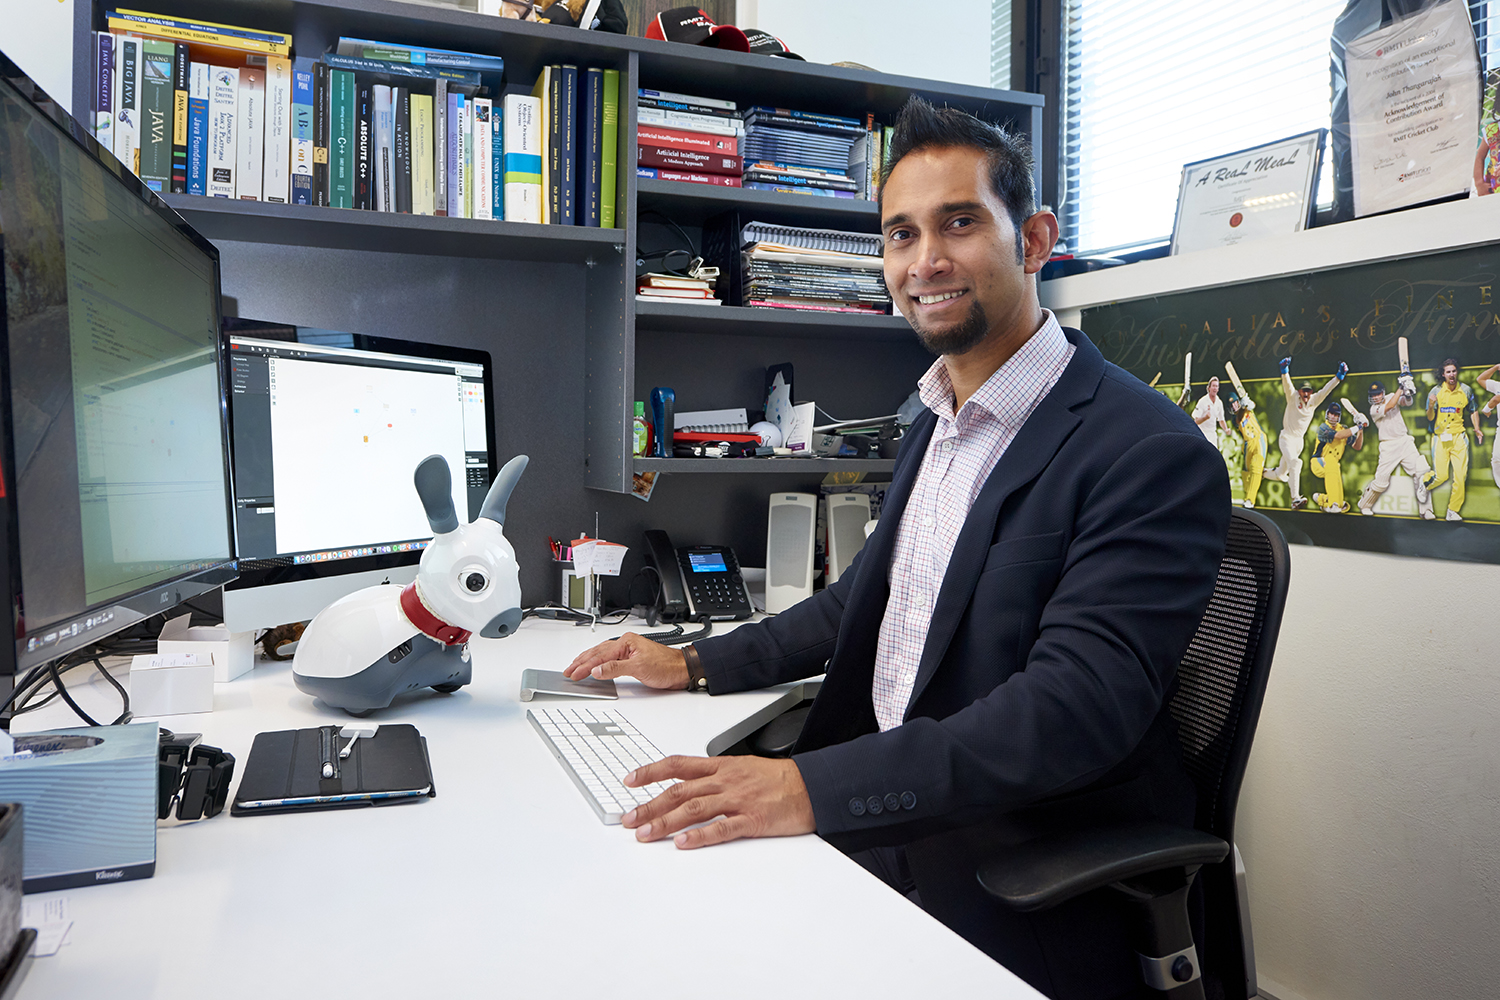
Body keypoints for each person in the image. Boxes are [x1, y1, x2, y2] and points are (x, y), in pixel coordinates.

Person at [564, 98, 1230, 1000]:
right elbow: (863, 602)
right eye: (900, 235)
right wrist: (695, 664)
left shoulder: (1144, 451)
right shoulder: (937, 420)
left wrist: (808, 789)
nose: (925, 262)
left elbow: (1073, 710)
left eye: (960, 224)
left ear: (1035, 240)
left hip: (1019, 860)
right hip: (897, 812)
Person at [1264, 358, 1346, 510]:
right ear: (1299, 391)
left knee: (1281, 473)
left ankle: (1261, 473)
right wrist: (1284, 371)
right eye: (1303, 391)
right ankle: (1295, 499)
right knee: (1296, 463)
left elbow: (1326, 390)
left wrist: (1339, 376)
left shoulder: (1314, 400)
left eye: (1308, 391)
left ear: (1311, 392)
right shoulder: (1293, 397)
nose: (1306, 394)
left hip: (1298, 442)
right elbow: (1287, 385)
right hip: (1287, 438)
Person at [1357, 379, 1438, 519]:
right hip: (1388, 445)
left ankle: (1426, 510)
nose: (1375, 397)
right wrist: (1401, 387)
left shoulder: (1390, 396)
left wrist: (1408, 394)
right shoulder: (1374, 409)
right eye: (1373, 395)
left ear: (1383, 392)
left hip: (1404, 441)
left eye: (1378, 393)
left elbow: (1406, 403)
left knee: (1421, 471)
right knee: (1381, 482)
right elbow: (1390, 406)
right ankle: (1364, 505)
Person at [1424, 358, 1484, 521]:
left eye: (1454, 371)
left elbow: (1473, 410)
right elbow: (1430, 417)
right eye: (1448, 372)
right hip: (1440, 437)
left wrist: (1477, 428)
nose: (1451, 374)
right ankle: (1423, 484)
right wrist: (1431, 405)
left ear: (1457, 372)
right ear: (1443, 374)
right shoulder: (1435, 392)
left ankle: (1452, 510)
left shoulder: (1466, 390)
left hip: (1459, 438)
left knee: (1460, 476)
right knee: (1441, 476)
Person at [1309, 401, 1363, 513]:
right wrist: (1358, 427)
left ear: (1339, 416)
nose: (1333, 416)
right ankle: (1333, 503)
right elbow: (1338, 436)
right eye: (1331, 413)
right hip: (1318, 462)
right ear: (1327, 414)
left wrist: (1361, 431)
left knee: (1340, 502)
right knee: (1331, 461)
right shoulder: (1323, 428)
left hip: (1333, 464)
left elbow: (1357, 446)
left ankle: (1323, 500)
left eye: (1336, 414)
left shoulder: (1343, 429)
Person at [1229, 390, 1266, 508]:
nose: (1234, 406)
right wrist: (1243, 407)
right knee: (1246, 473)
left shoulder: (1248, 409)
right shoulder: (1234, 419)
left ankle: (1250, 499)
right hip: (1247, 445)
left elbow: (1252, 405)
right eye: (1232, 405)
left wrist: (1247, 401)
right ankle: (1247, 499)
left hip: (1258, 439)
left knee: (1256, 466)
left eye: (1235, 402)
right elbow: (1239, 419)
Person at [1476, 362, 1500, 491]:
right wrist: (1496, 367)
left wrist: (1486, 409)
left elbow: (1496, 399)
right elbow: (1480, 379)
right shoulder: (1497, 385)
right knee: (1496, 459)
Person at [1191, 375, 1231, 446]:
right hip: (1202, 434)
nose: (1215, 388)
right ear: (1209, 388)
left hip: (1213, 436)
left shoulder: (1219, 402)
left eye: (1216, 386)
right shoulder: (1202, 401)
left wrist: (1226, 429)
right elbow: (1196, 421)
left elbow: (1221, 420)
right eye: (1213, 386)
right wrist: (1205, 418)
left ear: (1218, 389)